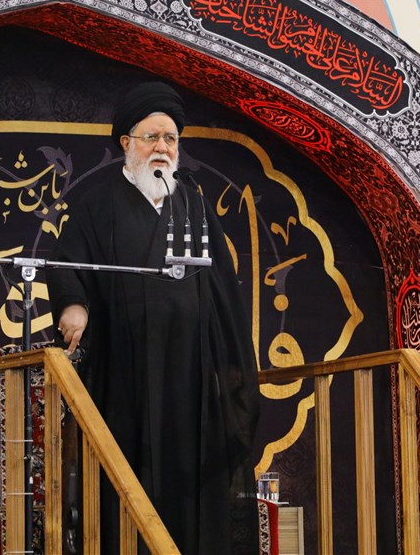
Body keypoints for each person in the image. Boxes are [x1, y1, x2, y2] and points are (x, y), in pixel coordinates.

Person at [46, 81, 260, 554]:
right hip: (125, 371)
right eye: (152, 137)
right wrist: (73, 304)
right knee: (126, 480)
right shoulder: (97, 202)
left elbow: (223, 289)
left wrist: (228, 363)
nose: (162, 147)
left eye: (171, 139)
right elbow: (64, 262)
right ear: (127, 143)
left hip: (190, 376)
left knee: (190, 487)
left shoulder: (194, 203)